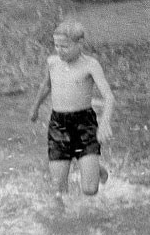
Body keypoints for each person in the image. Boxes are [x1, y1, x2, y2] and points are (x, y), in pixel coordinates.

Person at [29, 20, 114, 205]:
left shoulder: (91, 65)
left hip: (84, 123)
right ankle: (62, 224)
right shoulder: (52, 62)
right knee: (59, 189)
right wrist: (35, 107)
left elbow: (108, 97)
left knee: (90, 190)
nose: (59, 50)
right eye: (56, 45)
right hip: (59, 123)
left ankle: (95, 168)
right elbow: (46, 85)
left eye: (65, 46)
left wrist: (105, 123)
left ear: (79, 44)